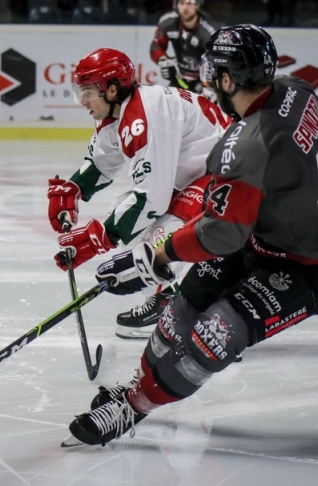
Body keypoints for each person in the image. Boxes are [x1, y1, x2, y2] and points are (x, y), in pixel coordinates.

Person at [63, 25, 318, 447]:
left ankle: (133, 406)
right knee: (179, 311)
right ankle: (138, 382)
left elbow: (222, 233)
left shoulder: (246, 146)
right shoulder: (296, 89)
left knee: (215, 333)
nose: (208, 82)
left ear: (228, 79)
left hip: (310, 265)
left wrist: (154, 257)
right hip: (289, 231)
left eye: (213, 72)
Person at [47, 47, 230, 338]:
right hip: (201, 173)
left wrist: (99, 237)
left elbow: (150, 198)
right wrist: (74, 189)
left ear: (111, 89)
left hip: (229, 173)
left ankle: (184, 309)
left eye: (87, 92)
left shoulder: (145, 116)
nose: (82, 101)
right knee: (140, 226)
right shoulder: (120, 112)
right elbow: (102, 162)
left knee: (165, 232)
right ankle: (172, 296)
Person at [150, 0, 218, 97]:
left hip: (203, 82)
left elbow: (215, 60)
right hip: (179, 78)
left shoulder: (209, 30)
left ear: (197, 5)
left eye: (189, 3)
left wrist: (208, 86)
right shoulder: (168, 22)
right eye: (181, 3)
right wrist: (164, 61)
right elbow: (156, 46)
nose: (185, 8)